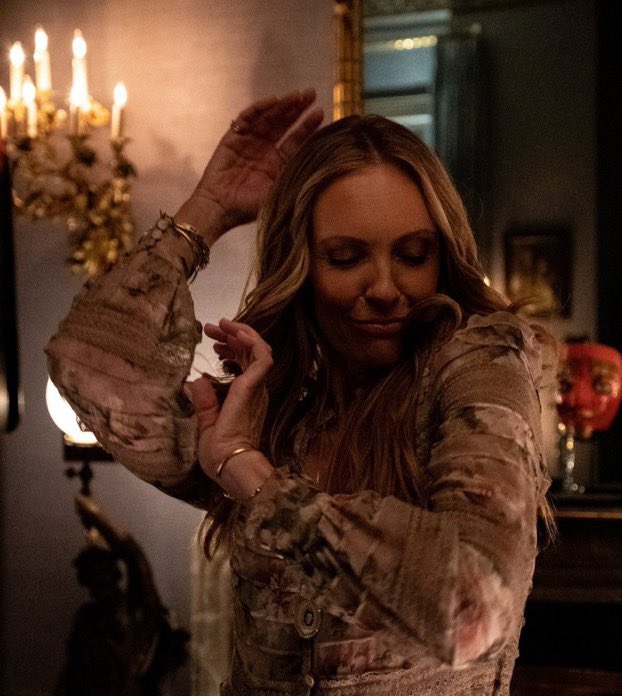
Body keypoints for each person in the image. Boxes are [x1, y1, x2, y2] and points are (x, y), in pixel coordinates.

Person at [46, 87, 557, 695]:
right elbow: (87, 369)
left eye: (413, 254)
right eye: (346, 258)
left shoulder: (481, 368)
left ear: (442, 258)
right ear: (301, 265)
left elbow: (474, 605)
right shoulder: (276, 411)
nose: (386, 288)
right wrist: (207, 211)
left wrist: (251, 476)